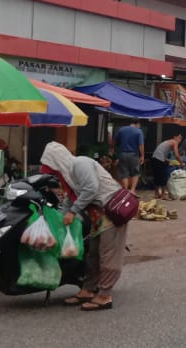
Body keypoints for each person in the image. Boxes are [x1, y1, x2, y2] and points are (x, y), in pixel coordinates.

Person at [39, 142, 127, 312]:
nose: (53, 171)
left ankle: (104, 295)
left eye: (52, 166)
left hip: (111, 211)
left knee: (108, 255)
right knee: (93, 253)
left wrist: (72, 212)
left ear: (57, 161)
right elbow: (70, 197)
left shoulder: (80, 164)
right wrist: (59, 215)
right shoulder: (68, 174)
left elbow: (91, 188)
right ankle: (88, 289)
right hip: (98, 216)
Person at [111, 119, 144, 193]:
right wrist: (142, 156)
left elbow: (114, 142)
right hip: (134, 155)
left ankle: (125, 190)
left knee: (124, 173)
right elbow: (141, 145)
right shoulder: (139, 131)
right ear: (137, 124)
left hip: (122, 154)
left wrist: (112, 148)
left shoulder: (121, 130)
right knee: (135, 172)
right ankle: (132, 190)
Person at [150, 133, 182, 200]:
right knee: (163, 176)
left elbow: (162, 156)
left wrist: (170, 161)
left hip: (154, 158)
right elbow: (176, 155)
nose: (180, 140)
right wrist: (181, 163)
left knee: (157, 176)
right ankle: (163, 195)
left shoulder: (167, 142)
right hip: (159, 159)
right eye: (179, 138)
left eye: (181, 139)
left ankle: (156, 193)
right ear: (175, 137)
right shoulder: (174, 142)